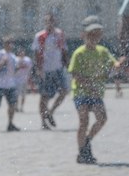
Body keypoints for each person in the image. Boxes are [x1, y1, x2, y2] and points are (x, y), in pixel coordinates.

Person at [67, 16, 126, 165]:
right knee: (84, 121)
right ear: (84, 35)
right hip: (81, 93)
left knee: (102, 119)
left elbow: (115, 65)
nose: (94, 37)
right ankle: (82, 152)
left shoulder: (103, 51)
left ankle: (87, 141)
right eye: (91, 34)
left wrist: (121, 61)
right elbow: (74, 74)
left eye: (97, 34)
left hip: (96, 93)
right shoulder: (79, 53)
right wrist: (89, 84)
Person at [32, 13, 69, 129]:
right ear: (45, 22)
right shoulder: (40, 35)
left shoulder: (60, 34)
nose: (50, 23)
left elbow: (64, 51)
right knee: (44, 96)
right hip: (46, 70)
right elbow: (36, 53)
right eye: (48, 21)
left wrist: (67, 65)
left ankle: (50, 112)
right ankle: (43, 122)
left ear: (55, 22)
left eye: (52, 20)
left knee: (64, 91)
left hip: (58, 68)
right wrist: (38, 69)